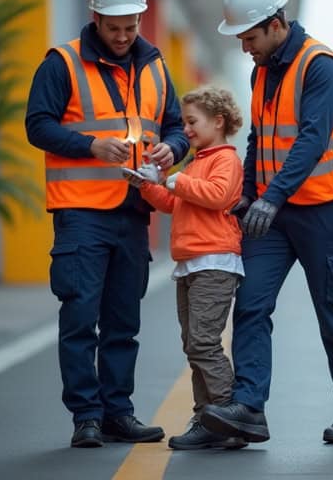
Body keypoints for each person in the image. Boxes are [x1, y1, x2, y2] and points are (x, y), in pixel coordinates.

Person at [199, 0, 333, 444]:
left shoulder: (321, 67)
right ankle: (248, 408)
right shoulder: (262, 71)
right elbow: (259, 138)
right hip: (273, 215)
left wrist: (271, 197)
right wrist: (249, 193)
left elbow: (312, 140)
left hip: (324, 211)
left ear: (275, 25)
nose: (245, 48)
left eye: (249, 38)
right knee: (251, 305)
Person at [25, 0, 188, 448]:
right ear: (95, 18)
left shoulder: (155, 67)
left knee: (123, 320)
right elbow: (37, 125)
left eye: (130, 27)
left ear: (140, 19)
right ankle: (86, 417)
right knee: (80, 316)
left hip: (134, 211)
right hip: (80, 213)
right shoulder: (62, 63)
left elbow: (175, 126)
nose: (122, 36)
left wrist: (173, 149)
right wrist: (90, 146)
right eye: (113, 27)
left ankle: (118, 412)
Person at [126, 86, 247, 451]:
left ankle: (229, 417)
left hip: (214, 262)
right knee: (194, 344)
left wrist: (173, 179)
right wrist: (148, 185)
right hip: (192, 262)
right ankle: (208, 418)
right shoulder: (196, 162)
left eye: (192, 122)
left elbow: (218, 195)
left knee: (203, 342)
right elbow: (174, 203)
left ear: (218, 121)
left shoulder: (225, 160)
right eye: (185, 122)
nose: (186, 129)